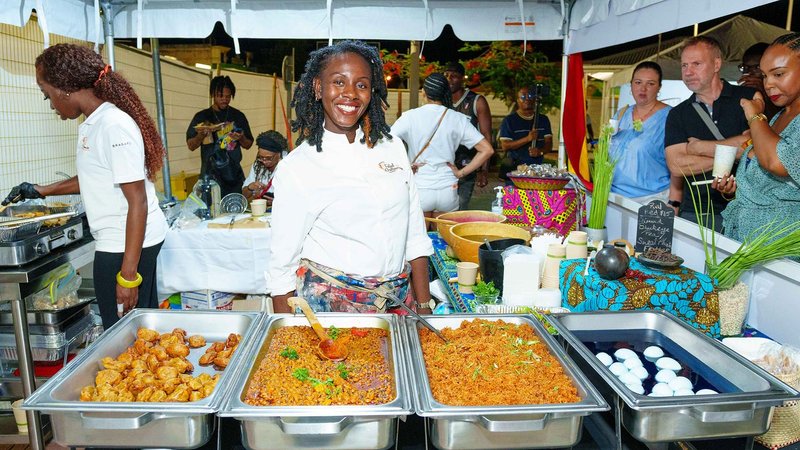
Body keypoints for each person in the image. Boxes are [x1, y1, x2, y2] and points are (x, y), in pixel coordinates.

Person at [1, 44, 168, 329]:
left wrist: (128, 277)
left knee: (124, 334)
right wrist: (42, 190)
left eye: (47, 95)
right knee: (138, 330)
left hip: (123, 244)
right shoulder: (95, 123)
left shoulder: (113, 125)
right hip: (121, 239)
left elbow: (137, 201)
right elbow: (97, 177)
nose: (51, 105)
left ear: (64, 87)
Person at [267, 40, 434, 314]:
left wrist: (424, 305)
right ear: (319, 88)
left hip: (398, 303)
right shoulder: (298, 168)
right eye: (339, 82)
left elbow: (414, 233)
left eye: (361, 84)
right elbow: (281, 266)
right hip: (332, 312)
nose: (351, 94)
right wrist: (288, 335)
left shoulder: (391, 147)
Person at [713, 33, 800, 243]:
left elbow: (777, 162)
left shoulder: (761, 118)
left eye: (778, 74)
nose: (768, 84)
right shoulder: (779, 116)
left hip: (778, 249)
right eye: (764, 75)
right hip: (745, 239)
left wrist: (754, 116)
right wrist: (734, 191)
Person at [664, 36, 755, 230]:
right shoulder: (678, 114)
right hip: (696, 213)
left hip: (745, 211)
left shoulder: (747, 98)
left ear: (716, 64)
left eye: (696, 64)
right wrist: (735, 152)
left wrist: (698, 148)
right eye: (684, 66)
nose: (688, 72)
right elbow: (677, 165)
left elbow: (754, 143)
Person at [391, 73, 494, 223]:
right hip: (448, 188)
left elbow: (387, 143)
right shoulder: (458, 118)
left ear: (423, 93)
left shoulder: (410, 117)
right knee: (444, 241)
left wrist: (404, 166)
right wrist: (461, 173)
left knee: (420, 240)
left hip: (420, 186)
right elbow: (487, 149)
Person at [609, 61, 672, 204]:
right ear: (631, 85)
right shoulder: (621, 114)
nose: (643, 88)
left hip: (652, 199)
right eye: (638, 82)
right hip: (614, 197)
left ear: (659, 87)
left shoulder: (670, 117)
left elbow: (677, 165)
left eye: (650, 84)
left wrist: (674, 202)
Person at [186, 76, 254, 198]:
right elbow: (191, 145)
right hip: (209, 174)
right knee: (211, 212)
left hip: (233, 175)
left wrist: (241, 138)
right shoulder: (202, 116)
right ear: (213, 95)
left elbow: (248, 144)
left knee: (236, 210)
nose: (224, 99)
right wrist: (201, 135)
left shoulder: (238, 116)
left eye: (228, 96)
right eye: (220, 96)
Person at [444, 62, 493, 210]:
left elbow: (486, 135)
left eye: (454, 76)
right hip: (444, 165)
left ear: (463, 79)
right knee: (442, 210)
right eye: (446, 76)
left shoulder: (476, 101)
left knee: (460, 208)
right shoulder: (440, 101)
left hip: (468, 164)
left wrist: (484, 170)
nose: (449, 79)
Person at [498, 86, 553, 175]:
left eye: (530, 96)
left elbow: (549, 143)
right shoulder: (509, 120)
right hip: (515, 169)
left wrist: (540, 151)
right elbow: (505, 146)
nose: (527, 99)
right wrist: (527, 139)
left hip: (537, 169)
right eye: (523, 97)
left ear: (535, 99)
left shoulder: (543, 120)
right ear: (517, 100)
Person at [242, 130, 287, 207]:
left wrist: (277, 202)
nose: (264, 161)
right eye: (261, 157)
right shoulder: (258, 165)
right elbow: (244, 195)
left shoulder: (288, 166)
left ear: (279, 154)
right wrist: (250, 188)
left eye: (269, 158)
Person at [738, 42, 780, 120]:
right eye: (746, 67)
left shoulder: (782, 90)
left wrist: (764, 93)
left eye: (757, 67)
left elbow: (779, 122)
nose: (750, 72)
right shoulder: (746, 93)